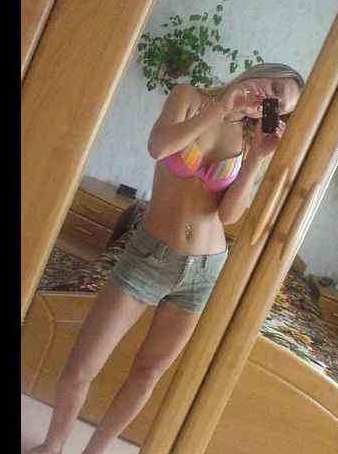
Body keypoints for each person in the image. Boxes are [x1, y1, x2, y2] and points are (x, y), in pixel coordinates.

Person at [29, 62, 305, 454]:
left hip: (204, 269)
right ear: (260, 72)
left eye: (279, 105)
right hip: (149, 257)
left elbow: (228, 215)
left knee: (148, 372)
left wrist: (257, 159)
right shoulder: (189, 97)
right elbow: (159, 147)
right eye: (274, 87)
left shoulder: (248, 140)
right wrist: (221, 105)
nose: (268, 98)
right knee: (82, 365)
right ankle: (52, 446)